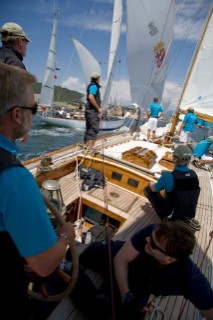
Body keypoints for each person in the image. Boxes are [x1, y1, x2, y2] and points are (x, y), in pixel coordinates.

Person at [0, 63, 75, 319]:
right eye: (34, 108)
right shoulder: (13, 179)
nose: (36, 114)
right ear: (17, 115)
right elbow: (43, 266)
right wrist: (65, 236)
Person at [71, 220, 213, 320]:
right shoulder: (155, 231)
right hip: (118, 254)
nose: (146, 239)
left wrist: (129, 300)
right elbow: (121, 258)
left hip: (140, 284)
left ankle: (73, 276)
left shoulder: (190, 279)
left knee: (102, 313)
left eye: (152, 244)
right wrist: (125, 295)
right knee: (75, 254)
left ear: (170, 259)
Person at [143, 145, 200, 224]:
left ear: (174, 159)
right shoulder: (194, 174)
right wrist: (168, 175)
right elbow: (183, 181)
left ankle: (165, 219)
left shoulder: (169, 176)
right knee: (173, 192)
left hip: (172, 216)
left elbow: (153, 188)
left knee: (148, 189)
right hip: (188, 213)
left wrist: (151, 183)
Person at [84, 71, 102, 149]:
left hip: (89, 110)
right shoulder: (94, 86)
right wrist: (98, 108)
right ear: (98, 78)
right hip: (92, 111)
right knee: (94, 129)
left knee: (89, 129)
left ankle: (86, 147)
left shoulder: (92, 85)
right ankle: (90, 148)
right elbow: (91, 97)